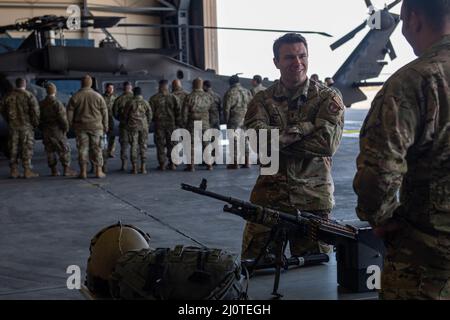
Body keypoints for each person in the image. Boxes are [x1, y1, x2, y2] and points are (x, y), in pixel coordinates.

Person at [353, 0, 450, 300]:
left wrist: (381, 218)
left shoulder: (412, 82)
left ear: (412, 19)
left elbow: (379, 171)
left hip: (427, 265)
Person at [241, 33, 345, 260]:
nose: (297, 62)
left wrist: (276, 142)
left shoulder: (327, 98)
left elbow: (326, 144)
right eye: (289, 57)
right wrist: (305, 128)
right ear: (276, 62)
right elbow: (256, 141)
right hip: (269, 199)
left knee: (314, 275)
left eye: (302, 56)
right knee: (256, 270)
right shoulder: (261, 100)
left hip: (313, 200)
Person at [67, 75, 108, 179]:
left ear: (81, 83)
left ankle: (83, 172)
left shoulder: (75, 96)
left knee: (82, 149)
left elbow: (69, 112)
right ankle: (98, 171)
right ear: (91, 84)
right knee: (97, 149)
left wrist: (71, 124)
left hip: (81, 127)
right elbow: (104, 112)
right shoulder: (98, 96)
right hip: (96, 127)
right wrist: (105, 125)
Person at [0, 78, 40, 178]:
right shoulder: (29, 96)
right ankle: (27, 171)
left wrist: (9, 120)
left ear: (16, 84)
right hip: (26, 127)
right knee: (27, 148)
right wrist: (34, 124)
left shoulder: (8, 96)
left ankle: (14, 171)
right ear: (25, 84)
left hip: (13, 127)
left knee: (13, 148)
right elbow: (35, 112)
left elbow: (2, 110)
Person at [39, 83, 77, 177]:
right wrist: (66, 128)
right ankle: (66, 170)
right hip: (57, 130)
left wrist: (42, 128)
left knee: (50, 150)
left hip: (46, 130)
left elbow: (37, 117)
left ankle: (54, 170)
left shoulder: (41, 103)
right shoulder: (57, 103)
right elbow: (62, 118)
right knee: (64, 149)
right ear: (55, 91)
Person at [181, 78, 213, 172]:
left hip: (193, 123)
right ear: (202, 85)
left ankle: (191, 166)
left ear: (193, 85)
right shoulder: (208, 96)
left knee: (191, 144)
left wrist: (184, 123)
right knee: (206, 143)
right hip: (205, 123)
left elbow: (184, 112)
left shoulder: (189, 97)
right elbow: (211, 110)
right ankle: (209, 165)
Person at [149, 80, 181, 171]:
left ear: (159, 86)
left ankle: (162, 164)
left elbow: (150, 113)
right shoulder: (174, 97)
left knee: (160, 145)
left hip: (159, 125)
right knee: (172, 144)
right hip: (171, 124)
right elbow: (178, 112)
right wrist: (178, 123)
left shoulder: (153, 98)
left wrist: (152, 121)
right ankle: (173, 164)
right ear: (168, 86)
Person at [223, 74, 252, 169]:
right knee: (245, 140)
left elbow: (226, 109)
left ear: (230, 83)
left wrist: (226, 120)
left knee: (234, 141)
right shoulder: (247, 91)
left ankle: (235, 163)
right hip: (246, 119)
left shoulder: (230, 92)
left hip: (234, 119)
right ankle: (247, 162)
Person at [123, 87, 152, 174]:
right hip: (143, 126)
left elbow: (125, 115)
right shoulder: (145, 102)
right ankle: (143, 167)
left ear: (133, 93)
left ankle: (134, 167)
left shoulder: (130, 102)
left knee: (134, 146)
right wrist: (147, 123)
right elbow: (150, 114)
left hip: (133, 127)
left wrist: (127, 122)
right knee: (143, 145)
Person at [112, 81, 134, 171]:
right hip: (134, 126)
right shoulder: (136, 98)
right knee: (134, 145)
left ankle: (124, 165)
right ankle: (135, 165)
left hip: (124, 125)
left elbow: (115, 112)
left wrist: (121, 119)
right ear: (131, 87)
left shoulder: (119, 99)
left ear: (124, 88)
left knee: (124, 145)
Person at [103, 83, 117, 159]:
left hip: (112, 118)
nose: (111, 89)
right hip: (104, 118)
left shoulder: (115, 97)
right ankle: (104, 151)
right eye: (110, 88)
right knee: (105, 136)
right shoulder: (102, 97)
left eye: (112, 88)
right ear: (106, 88)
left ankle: (110, 152)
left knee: (112, 136)